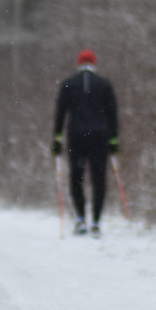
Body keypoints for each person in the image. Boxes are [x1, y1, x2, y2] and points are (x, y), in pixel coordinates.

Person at [52, 49, 119, 236]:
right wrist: (114, 139)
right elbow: (112, 114)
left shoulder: (68, 84)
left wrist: (56, 139)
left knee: (77, 178)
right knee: (99, 179)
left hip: (77, 137)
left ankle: (81, 219)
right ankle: (96, 222)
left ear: (78, 63)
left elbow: (60, 114)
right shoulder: (105, 84)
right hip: (100, 137)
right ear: (94, 63)